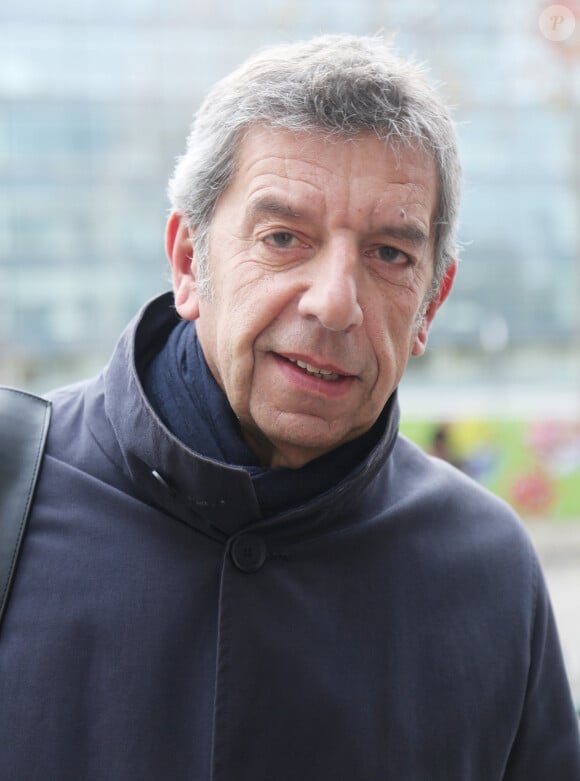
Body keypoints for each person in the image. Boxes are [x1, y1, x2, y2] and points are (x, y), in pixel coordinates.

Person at [0, 34, 578, 780]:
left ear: (432, 302)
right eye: (283, 237)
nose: (335, 302)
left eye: (390, 255)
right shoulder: (14, 488)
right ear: (188, 262)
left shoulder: (490, 571)